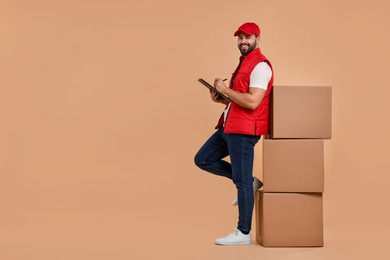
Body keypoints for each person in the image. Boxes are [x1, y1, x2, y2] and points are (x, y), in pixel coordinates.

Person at [194, 22, 274, 246]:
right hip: (229, 126)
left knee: (241, 181)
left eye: (247, 37)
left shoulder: (260, 66)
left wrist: (225, 90)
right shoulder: (244, 63)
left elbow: (253, 101)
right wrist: (222, 99)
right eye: (239, 38)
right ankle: (249, 181)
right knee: (203, 159)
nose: (243, 41)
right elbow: (240, 99)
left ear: (258, 38)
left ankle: (243, 232)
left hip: (244, 130)